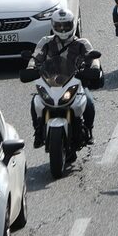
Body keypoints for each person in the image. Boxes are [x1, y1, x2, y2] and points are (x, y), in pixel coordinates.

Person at [28, 8, 100, 148]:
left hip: (76, 81)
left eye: (65, 26)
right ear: (53, 25)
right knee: (35, 101)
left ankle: (89, 130)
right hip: (51, 82)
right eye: (59, 26)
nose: (62, 29)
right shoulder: (45, 42)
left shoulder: (82, 43)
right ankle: (38, 130)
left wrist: (94, 68)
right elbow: (36, 57)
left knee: (89, 101)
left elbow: (93, 57)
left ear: (72, 24)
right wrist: (31, 68)